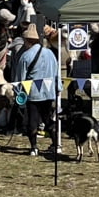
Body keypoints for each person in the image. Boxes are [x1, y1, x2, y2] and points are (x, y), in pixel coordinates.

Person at [13, 24, 59, 156]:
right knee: (48, 118)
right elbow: (57, 73)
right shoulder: (50, 53)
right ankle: (56, 144)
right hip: (49, 92)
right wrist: (58, 88)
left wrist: (18, 94)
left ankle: (34, 147)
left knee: (32, 120)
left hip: (33, 93)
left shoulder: (25, 56)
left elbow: (19, 79)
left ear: (27, 41)